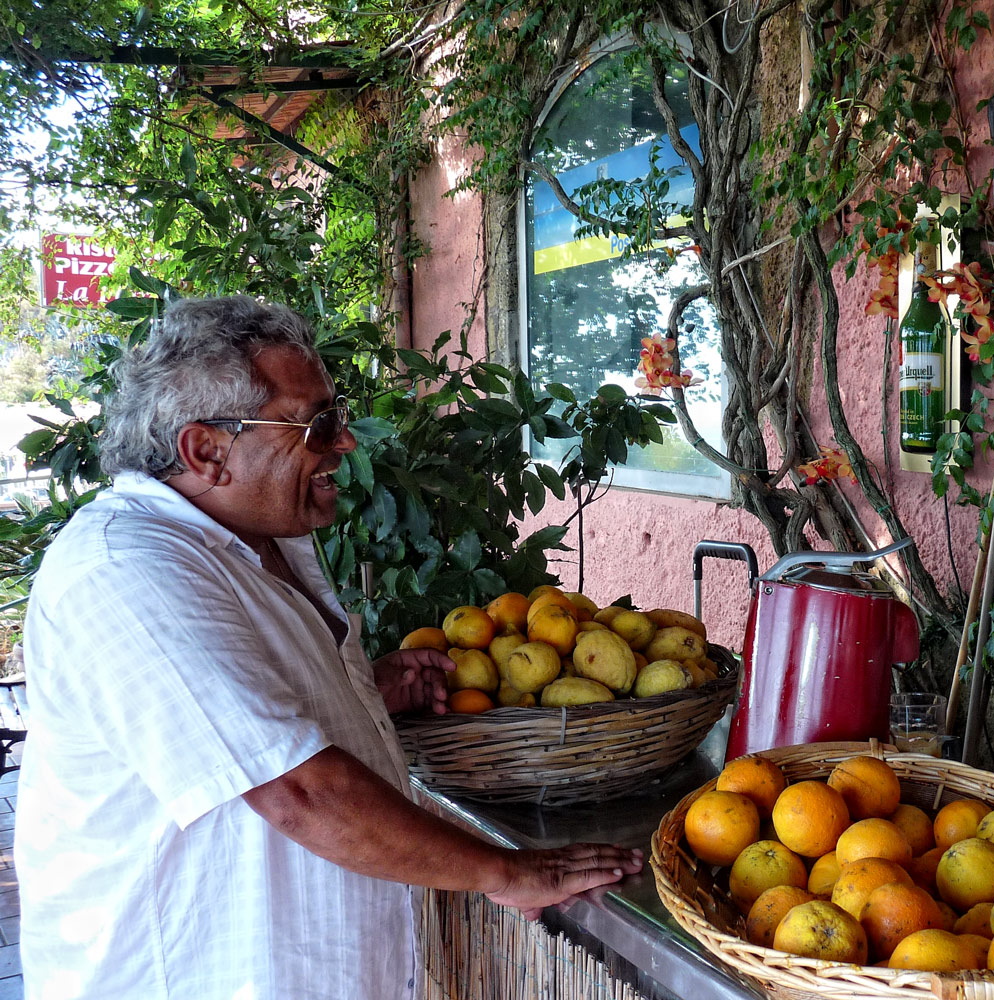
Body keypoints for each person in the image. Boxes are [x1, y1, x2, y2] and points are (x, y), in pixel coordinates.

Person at [16, 296, 644, 1000]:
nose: (344, 444)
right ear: (206, 451)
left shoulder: (263, 533)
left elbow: (243, 715)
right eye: (317, 425)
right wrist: (510, 871)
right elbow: (299, 792)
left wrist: (362, 687)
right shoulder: (125, 570)